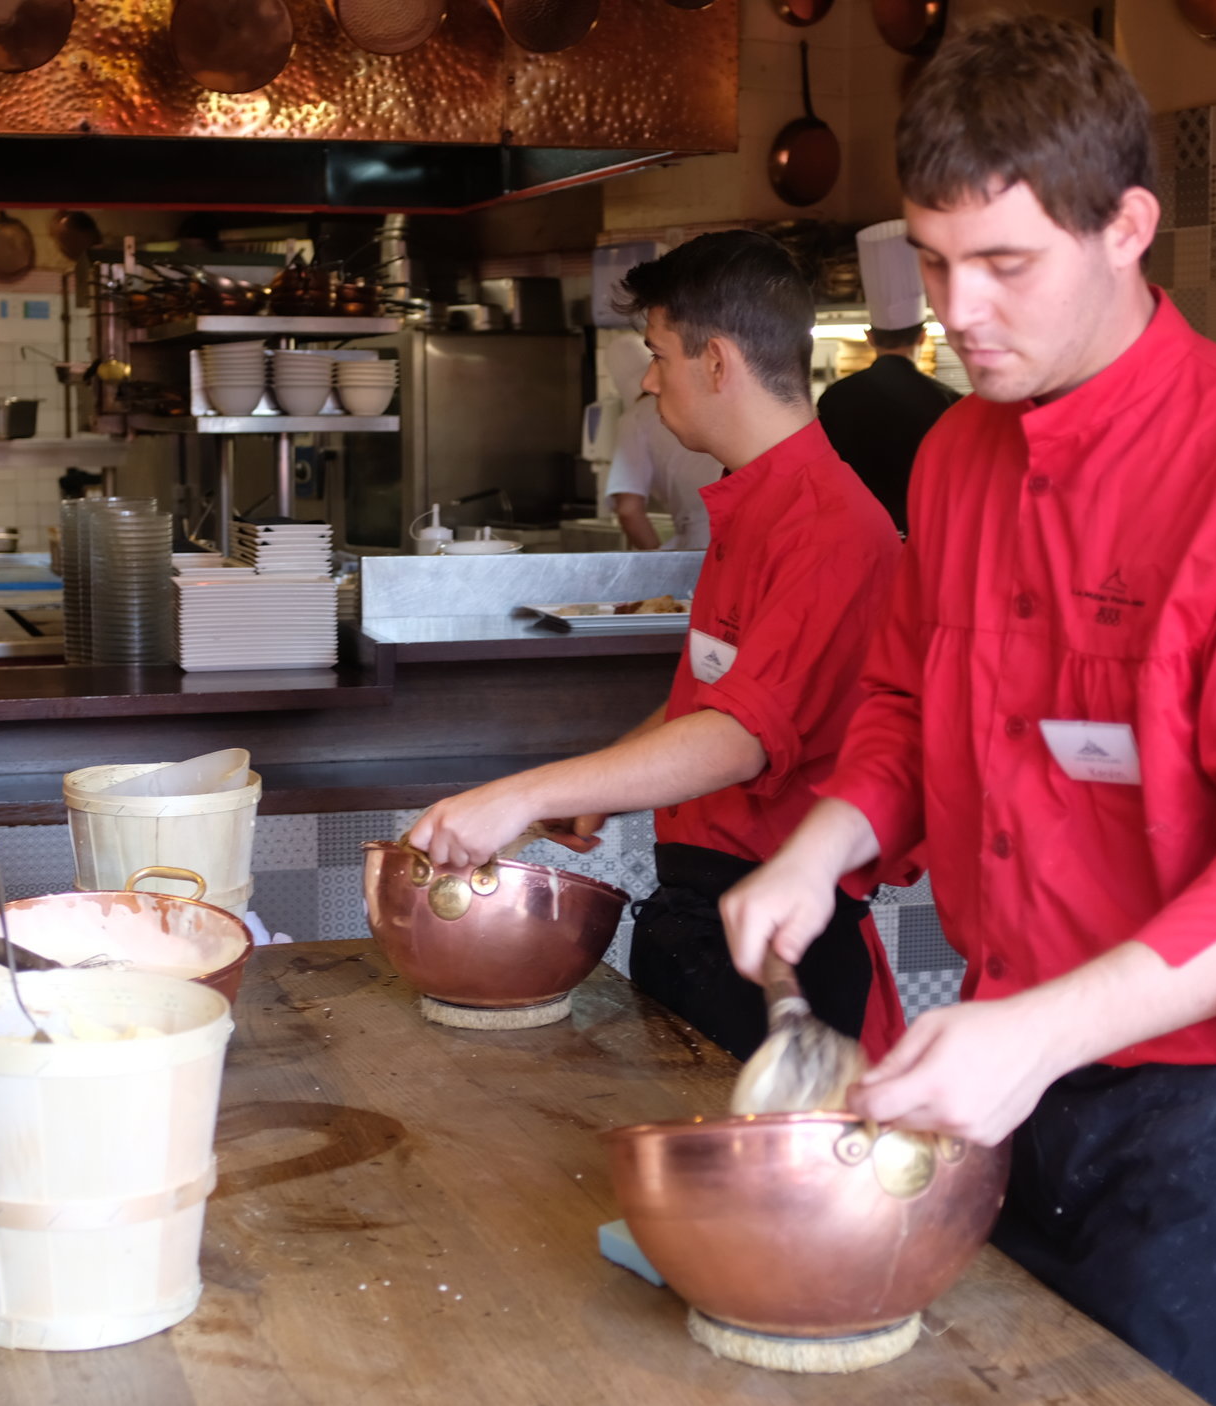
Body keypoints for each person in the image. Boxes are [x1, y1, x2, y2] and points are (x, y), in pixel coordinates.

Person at [719, 20, 1216, 1406]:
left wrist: (1034, 1034)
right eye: (935, 259)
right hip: (1044, 1055)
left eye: (1006, 264)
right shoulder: (959, 457)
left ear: (1128, 227)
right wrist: (821, 843)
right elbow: (903, 701)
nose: (960, 309)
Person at [408, 231, 907, 1062]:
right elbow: (709, 699)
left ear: (717, 362)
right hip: (704, 924)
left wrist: (522, 796)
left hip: (780, 956)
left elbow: (740, 737)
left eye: (658, 354)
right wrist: (601, 783)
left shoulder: (828, 529)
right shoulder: (754, 507)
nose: (647, 379)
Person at [813, 221, 959, 534]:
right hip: (923, 541)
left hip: (854, 540)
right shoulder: (948, 403)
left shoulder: (835, 399)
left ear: (869, 337)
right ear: (923, 337)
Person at [601, 332, 723, 551]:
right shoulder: (701, 399)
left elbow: (629, 509)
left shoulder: (635, 418)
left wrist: (655, 564)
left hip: (701, 539)